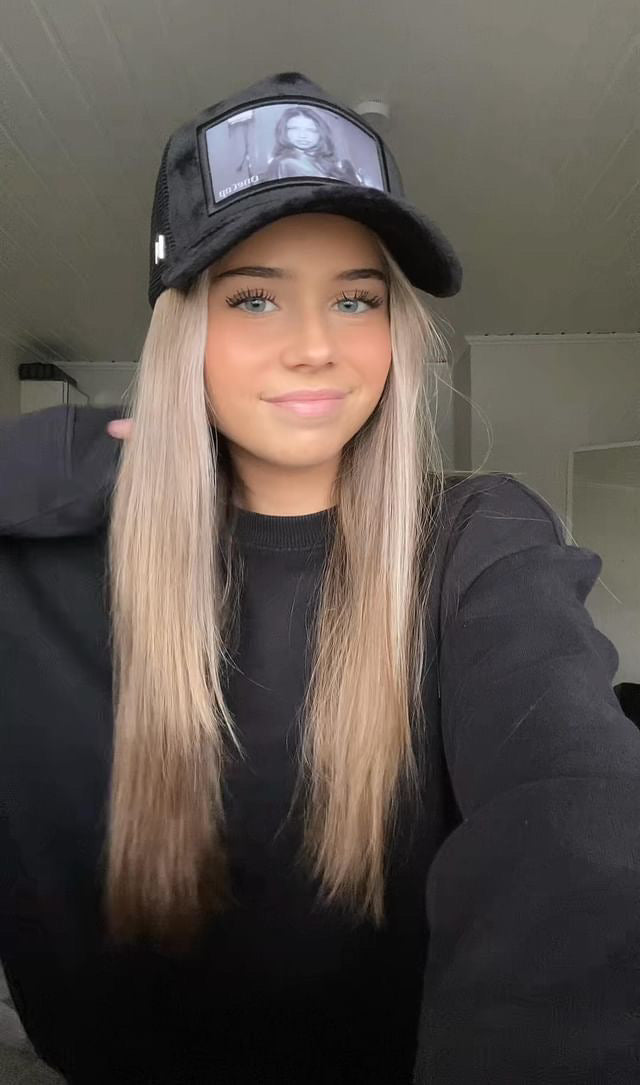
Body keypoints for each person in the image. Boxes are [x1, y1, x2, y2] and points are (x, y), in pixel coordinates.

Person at [1, 70, 640, 1085]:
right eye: (254, 296)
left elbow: (571, 803)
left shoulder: (477, 538)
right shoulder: (54, 542)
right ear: (186, 334)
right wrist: (37, 457)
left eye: (356, 298)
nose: (315, 347)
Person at [264, 106, 366, 185]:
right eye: (294, 129)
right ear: (284, 131)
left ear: (321, 133)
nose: (302, 135)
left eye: (311, 130)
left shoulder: (329, 163)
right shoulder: (285, 163)